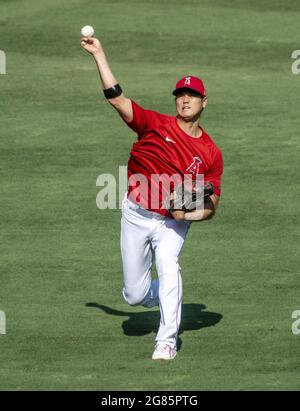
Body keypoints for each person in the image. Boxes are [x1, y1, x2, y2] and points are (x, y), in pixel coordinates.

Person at [81, 36, 223, 360]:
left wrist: (188, 216)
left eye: (193, 95)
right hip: (135, 213)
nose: (186, 99)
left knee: (168, 265)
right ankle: (163, 295)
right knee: (134, 295)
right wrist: (99, 55)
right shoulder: (154, 125)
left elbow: (211, 202)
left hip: (171, 223)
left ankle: (166, 341)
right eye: (181, 95)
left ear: (204, 102)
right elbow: (118, 100)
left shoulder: (211, 153)